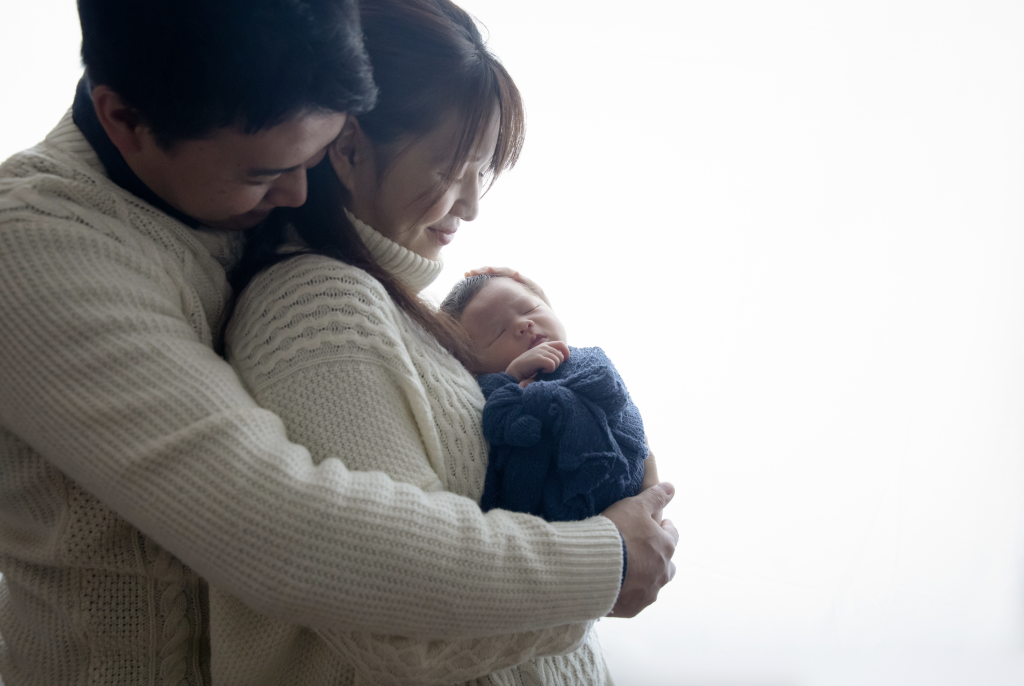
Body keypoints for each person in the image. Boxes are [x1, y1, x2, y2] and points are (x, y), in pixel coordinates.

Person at [0, 0, 676, 683]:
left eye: (318, 154)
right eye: (263, 172)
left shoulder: (225, 176)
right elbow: (290, 528)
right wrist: (605, 562)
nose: (299, 192)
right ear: (124, 119)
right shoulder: (35, 250)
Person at [218, 2, 663, 683]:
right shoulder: (316, 304)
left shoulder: (396, 311)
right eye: (453, 168)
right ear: (349, 147)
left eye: (483, 173)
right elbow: (395, 617)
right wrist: (609, 561)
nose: (472, 204)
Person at [440, 273, 648, 522]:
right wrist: (510, 379)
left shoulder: (586, 358)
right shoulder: (485, 400)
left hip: (616, 478)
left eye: (529, 308)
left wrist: (543, 395)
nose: (523, 324)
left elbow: (610, 393)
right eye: (497, 332)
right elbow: (495, 423)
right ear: (471, 369)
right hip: (545, 529)